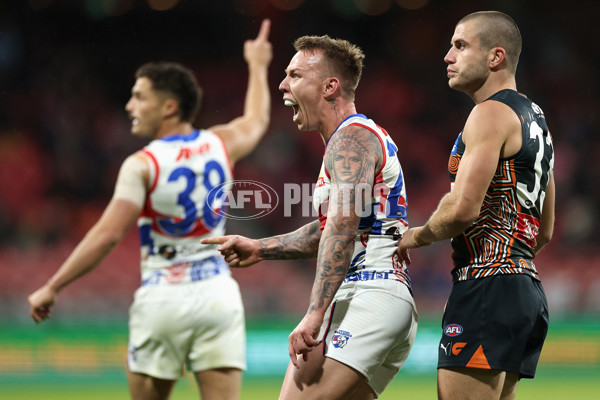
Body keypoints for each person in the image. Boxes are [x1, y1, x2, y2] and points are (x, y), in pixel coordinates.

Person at [27, 19, 272, 400]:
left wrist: (53, 285)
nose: (130, 105)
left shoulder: (142, 164)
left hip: (164, 297)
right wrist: (257, 65)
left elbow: (107, 236)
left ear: (169, 106)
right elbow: (257, 120)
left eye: (140, 97)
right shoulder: (220, 144)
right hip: (217, 295)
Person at [203, 35, 418, 400]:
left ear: (330, 86)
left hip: (365, 293)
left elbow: (342, 225)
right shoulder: (357, 139)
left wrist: (315, 313)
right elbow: (330, 228)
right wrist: (260, 247)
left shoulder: (350, 139)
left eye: (295, 75)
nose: (283, 84)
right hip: (389, 296)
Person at [396, 11, 555, 400]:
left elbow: (463, 209)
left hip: (488, 286)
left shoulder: (488, 114)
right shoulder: (537, 121)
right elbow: (546, 230)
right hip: (525, 289)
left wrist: (413, 236)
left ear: (495, 57)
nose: (448, 56)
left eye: (460, 45)